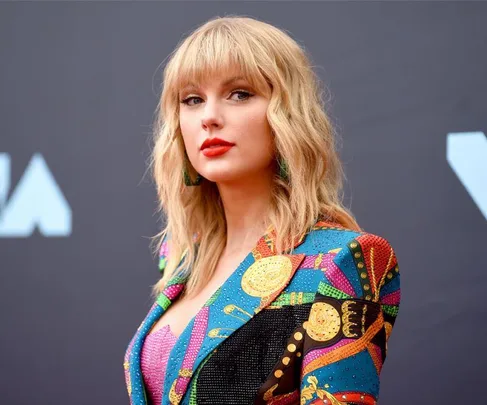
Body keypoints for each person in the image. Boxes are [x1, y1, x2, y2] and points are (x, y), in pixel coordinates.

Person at [123, 15, 401, 405]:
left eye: (240, 94)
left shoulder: (342, 261)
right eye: (192, 99)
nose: (209, 117)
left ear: (287, 114)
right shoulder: (182, 256)